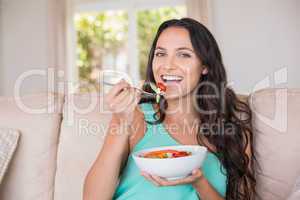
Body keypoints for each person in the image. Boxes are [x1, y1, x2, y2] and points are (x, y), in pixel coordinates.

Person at [83, 18, 256, 200]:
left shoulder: (235, 133)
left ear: (204, 65)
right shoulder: (135, 116)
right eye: (160, 54)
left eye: (183, 54)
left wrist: (200, 182)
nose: (167, 65)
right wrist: (119, 122)